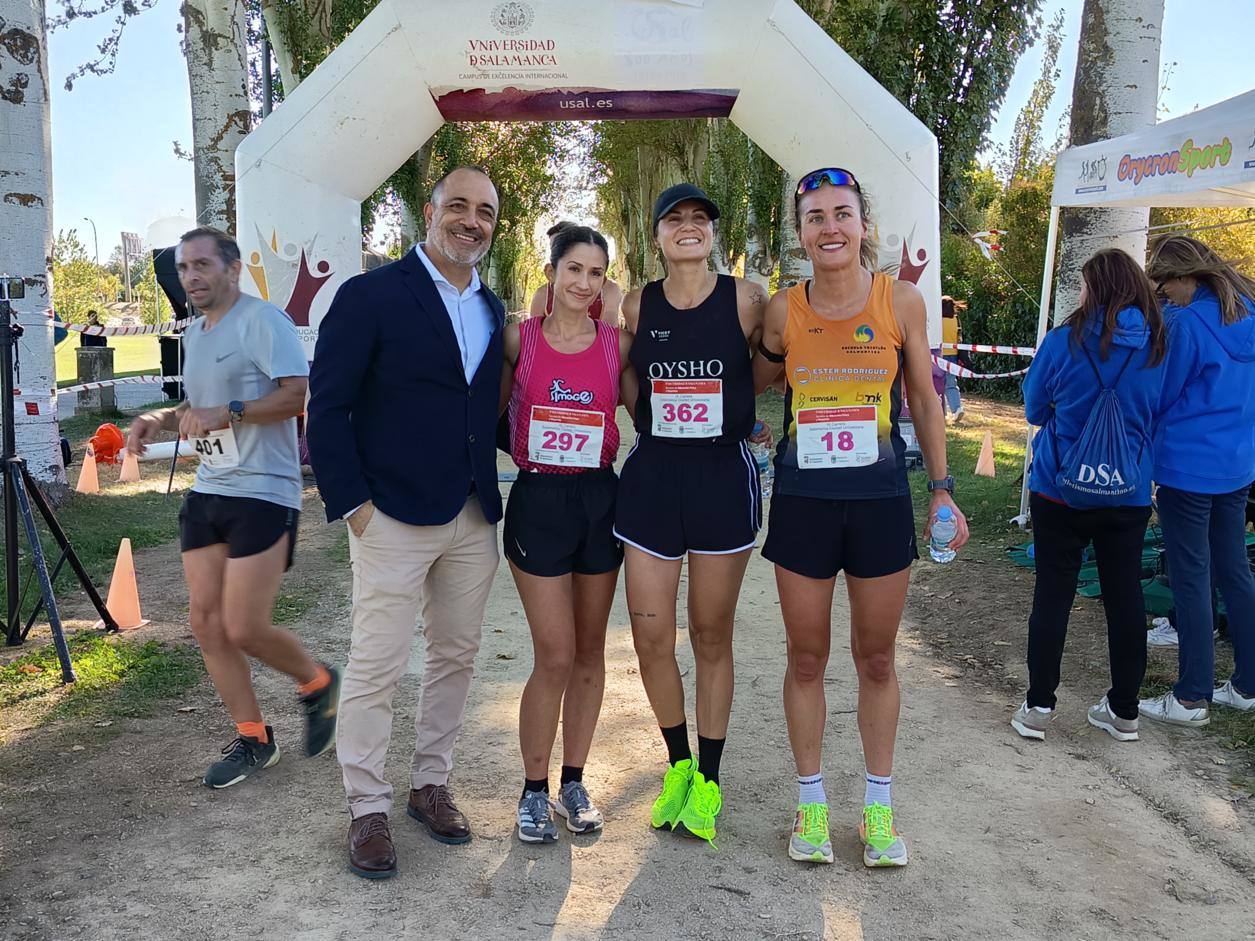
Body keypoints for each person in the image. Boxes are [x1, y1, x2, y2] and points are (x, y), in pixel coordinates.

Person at [753, 167, 967, 868]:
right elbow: (756, 382)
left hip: (877, 502)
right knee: (806, 656)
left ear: (863, 225)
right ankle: (810, 803)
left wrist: (941, 489)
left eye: (842, 213)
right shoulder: (784, 311)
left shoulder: (900, 301)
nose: (830, 227)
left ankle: (877, 808)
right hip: (805, 504)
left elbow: (925, 400)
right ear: (801, 233)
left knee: (876, 658)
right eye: (815, 217)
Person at [307, 166, 505, 880]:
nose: (470, 220)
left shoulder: (493, 307)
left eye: (484, 211)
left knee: (455, 656)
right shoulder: (369, 296)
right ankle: (366, 807)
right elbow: (325, 408)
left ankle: (430, 782)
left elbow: (486, 410)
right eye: (458, 205)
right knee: (377, 663)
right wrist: (353, 504)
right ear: (429, 212)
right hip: (388, 513)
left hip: (472, 515)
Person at [125, 226, 338, 790]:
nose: (191, 277)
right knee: (205, 620)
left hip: (265, 490)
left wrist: (235, 410)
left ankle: (317, 682)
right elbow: (200, 408)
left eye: (201, 265)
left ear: (232, 268)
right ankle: (253, 738)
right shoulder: (194, 334)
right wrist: (159, 419)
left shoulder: (263, 321)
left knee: (244, 625)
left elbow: (297, 394)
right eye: (184, 269)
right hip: (211, 488)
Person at [615, 182, 767, 846]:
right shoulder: (633, 303)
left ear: (713, 233)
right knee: (650, 638)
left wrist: (740, 418)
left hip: (719, 479)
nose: (688, 226)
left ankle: (708, 778)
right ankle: (676, 766)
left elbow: (765, 370)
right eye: (674, 218)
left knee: (710, 636)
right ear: (655, 235)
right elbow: (624, 382)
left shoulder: (744, 298)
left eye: (700, 218)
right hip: (653, 479)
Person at [500, 225, 634, 844]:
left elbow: (656, 411)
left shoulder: (617, 346)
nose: (584, 283)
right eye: (574, 270)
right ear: (552, 272)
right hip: (539, 500)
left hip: (597, 500)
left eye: (596, 273)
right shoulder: (517, 340)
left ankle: (573, 782)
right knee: (553, 653)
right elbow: (483, 413)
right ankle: (532, 790)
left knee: (588, 652)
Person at [1011, 248, 1167, 744]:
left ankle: (1038, 708)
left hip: (1060, 491)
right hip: (1129, 492)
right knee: (1126, 598)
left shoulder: (1063, 342)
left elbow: (1035, 410)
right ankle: (1125, 712)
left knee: (1053, 595)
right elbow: (1160, 413)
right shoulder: (1160, 345)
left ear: (1095, 289)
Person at [1139, 235, 1255, 728]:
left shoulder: (1187, 325)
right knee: (1234, 571)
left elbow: (1160, 393)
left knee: (1191, 576)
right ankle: (1247, 685)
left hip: (1188, 467)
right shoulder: (1247, 312)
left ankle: (1191, 697)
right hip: (1237, 464)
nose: (1164, 298)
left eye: (1164, 289)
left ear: (1182, 276)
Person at [528, 221, 624, 324]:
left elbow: (609, 329)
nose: (583, 285)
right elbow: (533, 334)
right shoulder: (542, 294)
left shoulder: (609, 289)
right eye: (554, 247)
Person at [939, 296, 965, 421]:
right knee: (951, 384)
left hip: (938, 354)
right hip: (953, 355)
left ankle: (940, 411)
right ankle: (957, 408)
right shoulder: (956, 320)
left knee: (936, 383)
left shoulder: (937, 321)